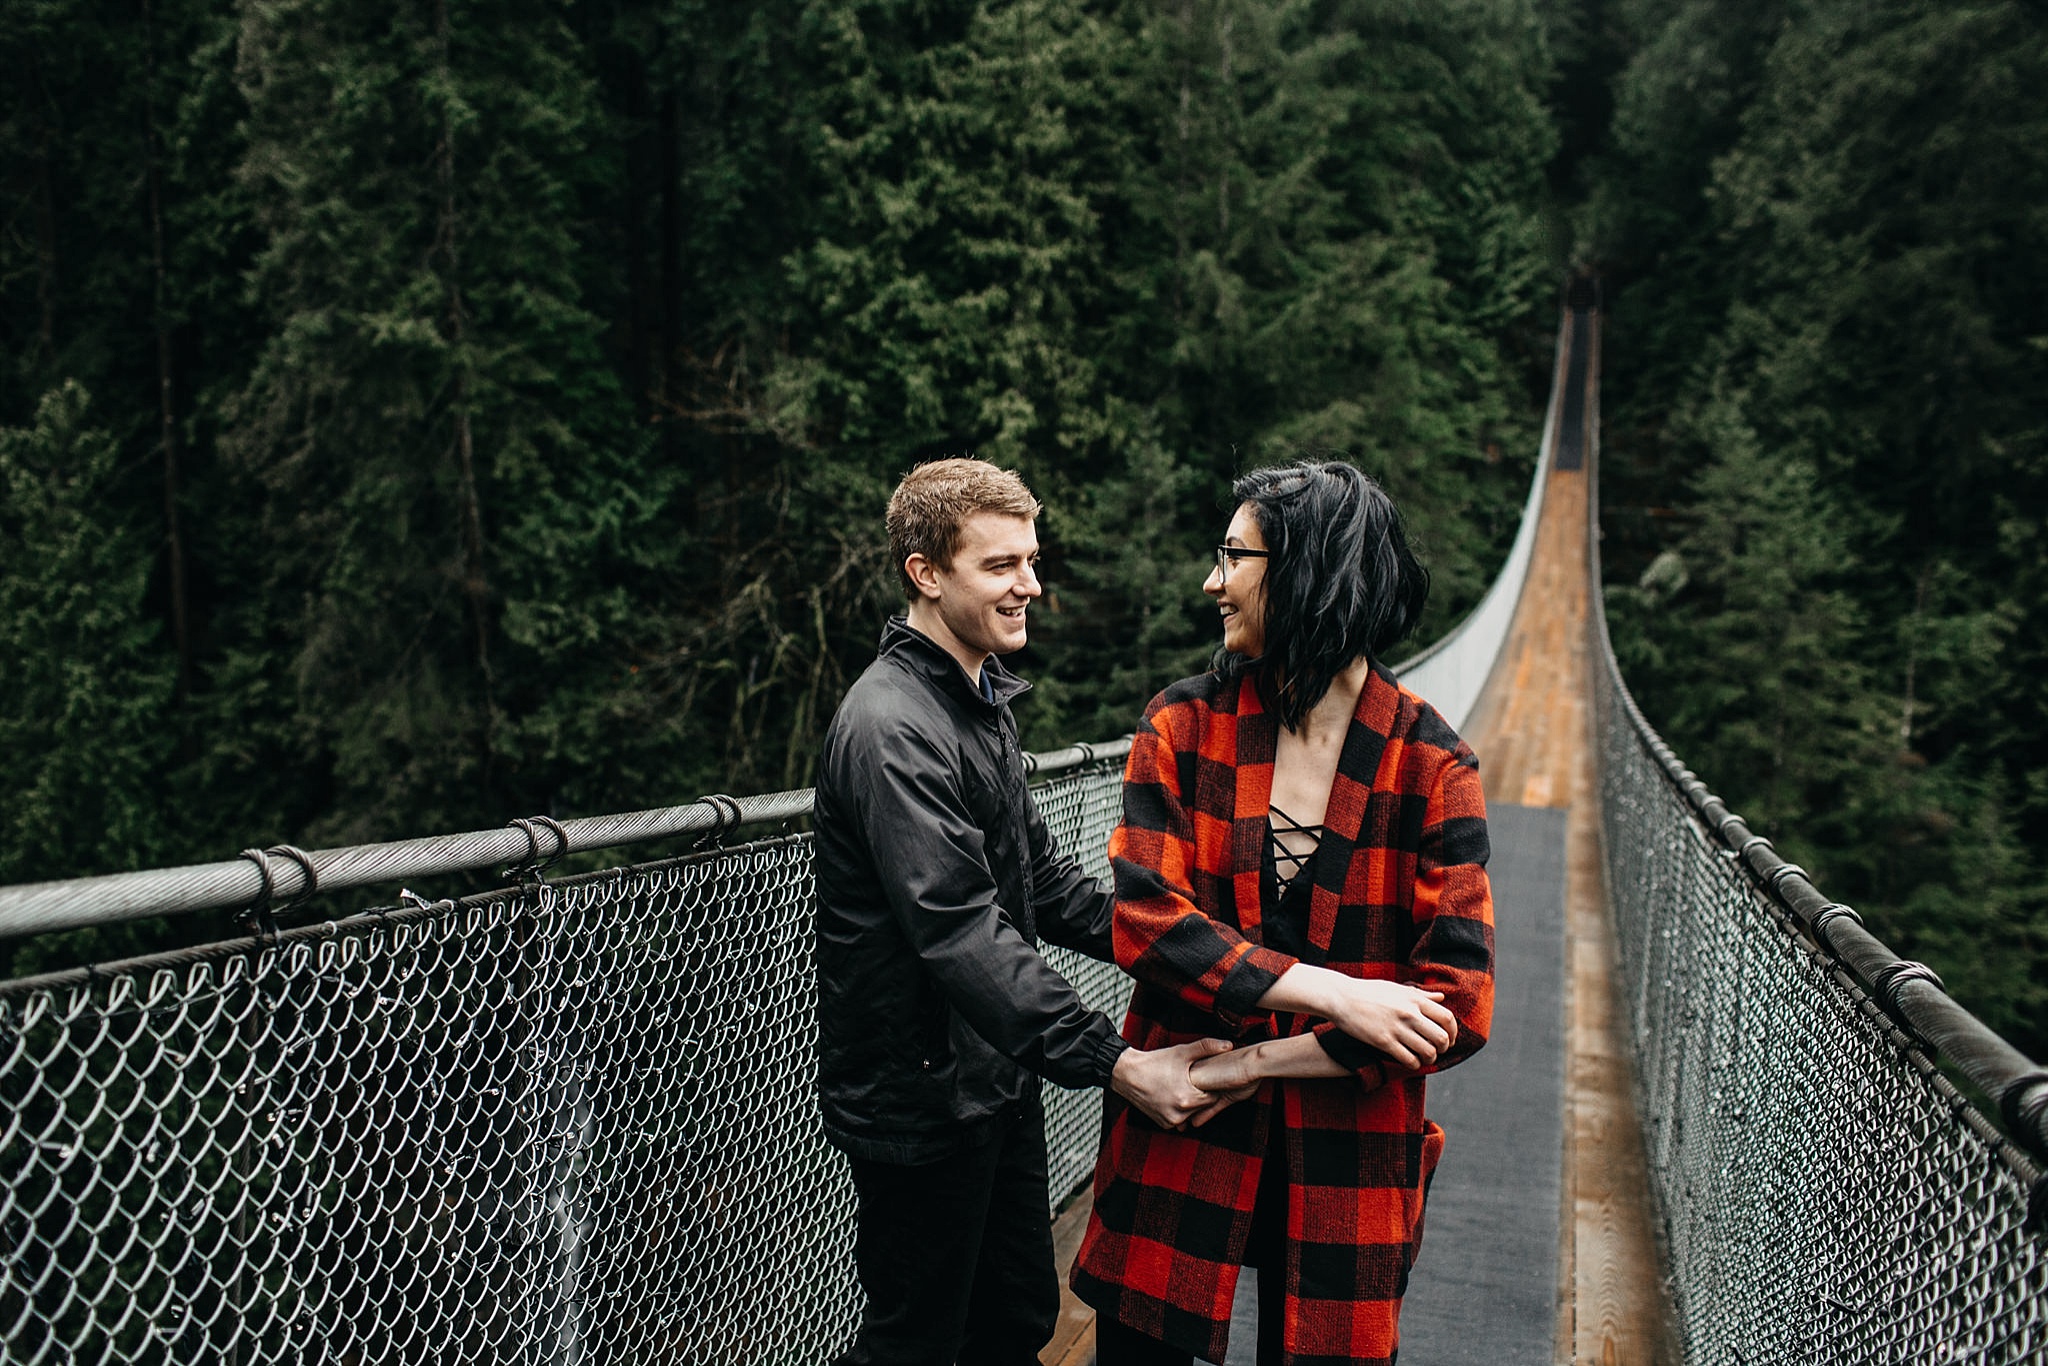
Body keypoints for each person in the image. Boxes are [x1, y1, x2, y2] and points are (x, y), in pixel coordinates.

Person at [813, 457, 1238, 1366]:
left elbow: (1047, 888)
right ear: (926, 574)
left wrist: (1202, 952)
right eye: (1000, 566)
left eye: (1031, 561)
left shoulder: (976, 701)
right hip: (921, 1096)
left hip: (992, 1078)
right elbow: (959, 930)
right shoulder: (891, 726)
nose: (1030, 587)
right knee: (915, 1342)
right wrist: (1116, 1064)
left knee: (1012, 1320)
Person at [1071, 461, 1496, 1366]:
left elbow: (1456, 1007)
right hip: (1180, 1145)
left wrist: (1251, 1063)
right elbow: (1149, 921)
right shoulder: (1182, 726)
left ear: (1305, 571)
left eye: (1234, 556)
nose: (1211, 581)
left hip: (1340, 1158)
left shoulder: (1432, 766)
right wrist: (1343, 999)